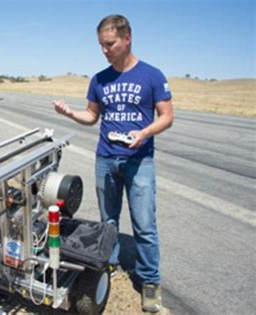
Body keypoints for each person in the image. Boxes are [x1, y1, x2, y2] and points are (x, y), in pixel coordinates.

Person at [53, 14, 174, 313]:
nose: (105, 50)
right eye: (101, 45)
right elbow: (92, 117)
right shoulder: (99, 79)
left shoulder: (152, 75)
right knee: (109, 221)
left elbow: (167, 117)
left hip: (139, 160)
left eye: (110, 44)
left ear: (127, 38)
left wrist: (144, 133)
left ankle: (149, 283)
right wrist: (70, 113)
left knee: (144, 225)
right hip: (105, 159)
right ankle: (109, 264)